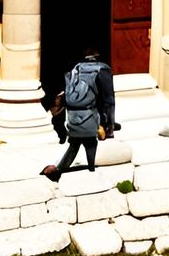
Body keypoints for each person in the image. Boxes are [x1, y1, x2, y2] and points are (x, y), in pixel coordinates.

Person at [41, 47, 115, 179]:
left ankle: (59, 169)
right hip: (89, 118)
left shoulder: (75, 69)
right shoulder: (102, 69)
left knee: (75, 144)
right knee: (90, 143)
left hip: (72, 118)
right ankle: (91, 170)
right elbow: (109, 101)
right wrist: (109, 125)